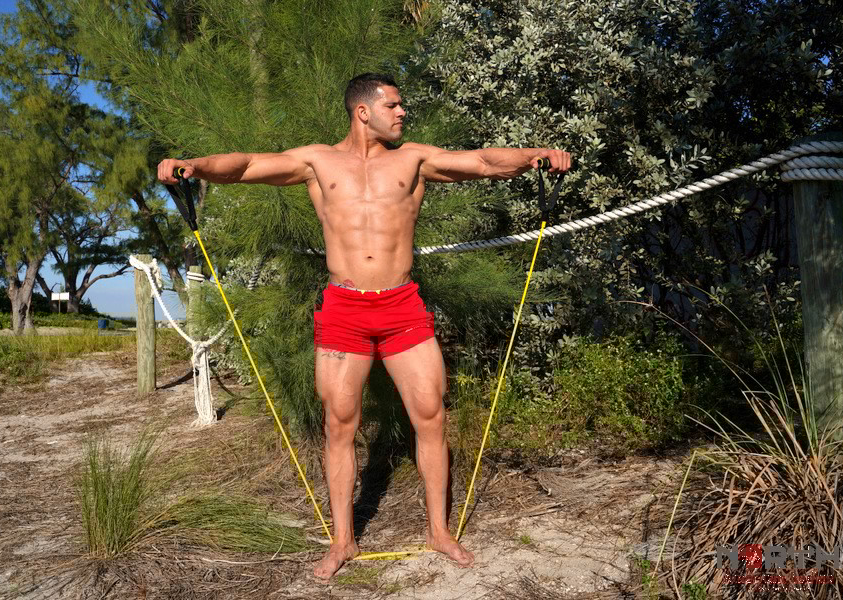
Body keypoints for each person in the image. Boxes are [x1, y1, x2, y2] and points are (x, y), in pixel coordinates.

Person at [157, 72, 571, 580]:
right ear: (363, 111)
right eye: (393, 105)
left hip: (402, 306)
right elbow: (245, 166)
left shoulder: (413, 159)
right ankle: (343, 541)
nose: (402, 113)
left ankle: (439, 533)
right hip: (344, 309)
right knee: (339, 424)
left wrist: (535, 155)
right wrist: (195, 166)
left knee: (431, 415)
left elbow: (483, 162)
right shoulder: (317, 161)